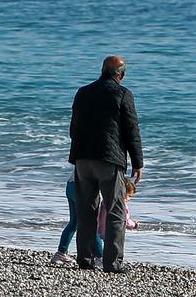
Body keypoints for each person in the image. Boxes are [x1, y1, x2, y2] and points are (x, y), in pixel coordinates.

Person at [69, 55, 144, 274]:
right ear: (121, 75)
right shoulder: (123, 94)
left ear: (102, 70)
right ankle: (113, 263)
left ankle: (85, 258)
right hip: (109, 161)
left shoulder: (83, 92)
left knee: (86, 210)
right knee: (115, 211)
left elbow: (73, 128)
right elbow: (132, 130)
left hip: (82, 159)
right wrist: (138, 162)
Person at [50, 165, 103, 267]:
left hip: (70, 185)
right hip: (82, 187)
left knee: (74, 223)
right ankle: (100, 256)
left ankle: (60, 253)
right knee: (92, 224)